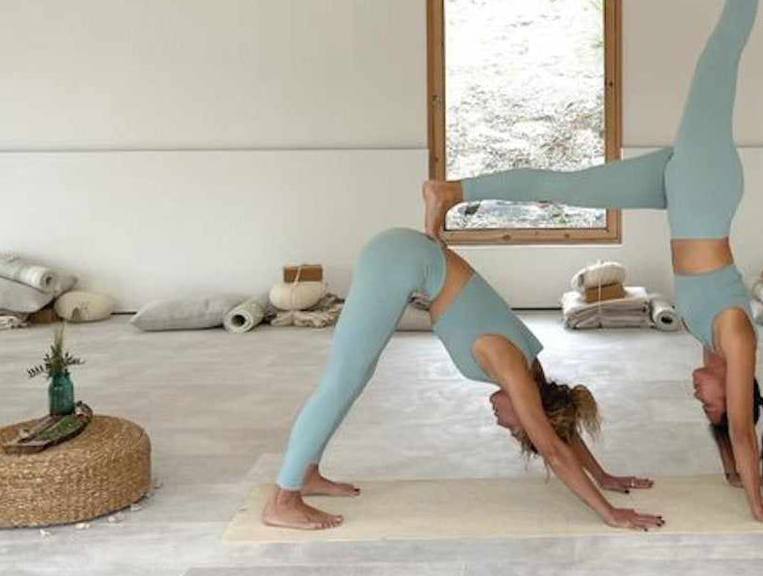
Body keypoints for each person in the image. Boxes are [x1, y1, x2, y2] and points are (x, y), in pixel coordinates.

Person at [423, 0, 763, 526]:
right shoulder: (738, 339)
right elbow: (745, 428)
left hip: (681, 196)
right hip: (706, 186)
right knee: (719, 57)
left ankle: (453, 191)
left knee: (569, 188)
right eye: (709, 401)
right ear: (737, 389)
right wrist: (758, 503)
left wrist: (725, 461)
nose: (698, 394)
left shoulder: (712, 348)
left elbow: (732, 431)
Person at [264, 227, 663, 532]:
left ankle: (306, 473)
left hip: (406, 255)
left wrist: (602, 475)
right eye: (515, 428)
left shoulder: (534, 373)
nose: (502, 425)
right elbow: (554, 449)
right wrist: (610, 513)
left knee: (354, 375)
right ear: (531, 410)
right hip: (399, 259)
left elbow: (560, 430)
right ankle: (283, 500)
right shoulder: (514, 370)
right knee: (342, 379)